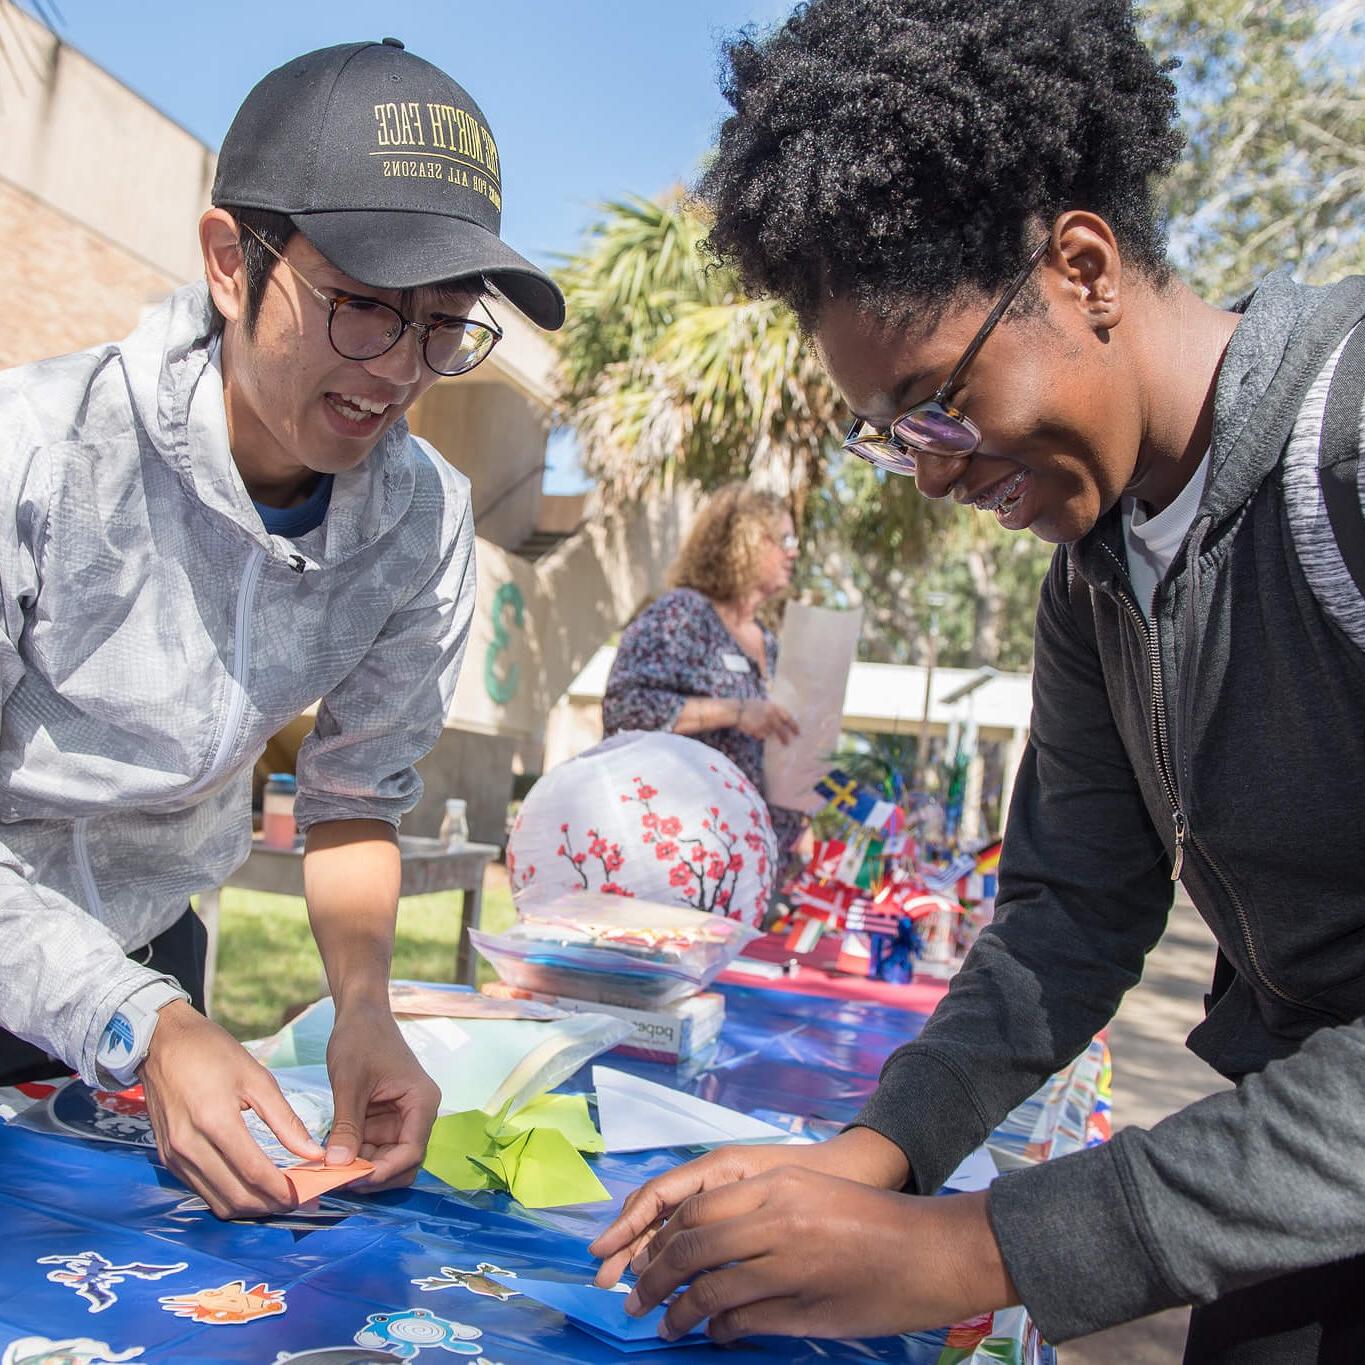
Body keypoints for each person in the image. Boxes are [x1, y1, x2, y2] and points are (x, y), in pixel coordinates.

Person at [588, 2, 1365, 1360]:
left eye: (940, 401)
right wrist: (881, 1153)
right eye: (895, 436)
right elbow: (1068, 910)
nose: (937, 471)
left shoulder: (1342, 450)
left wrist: (971, 1244)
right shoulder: (1093, 587)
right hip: (1295, 1199)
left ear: (1080, 265)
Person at [0, 39, 564, 1220]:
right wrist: (136, 1022)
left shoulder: (422, 525)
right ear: (228, 261)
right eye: (362, 309)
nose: (399, 374)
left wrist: (365, 1010)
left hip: (154, 961)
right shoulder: (38, 458)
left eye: (444, 326)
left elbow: (353, 795)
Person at [601, 482, 804, 855]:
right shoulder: (683, 614)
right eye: (786, 540)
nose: (795, 553)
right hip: (680, 851)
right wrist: (736, 713)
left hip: (752, 859)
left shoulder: (770, 643)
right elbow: (625, 709)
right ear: (747, 541)